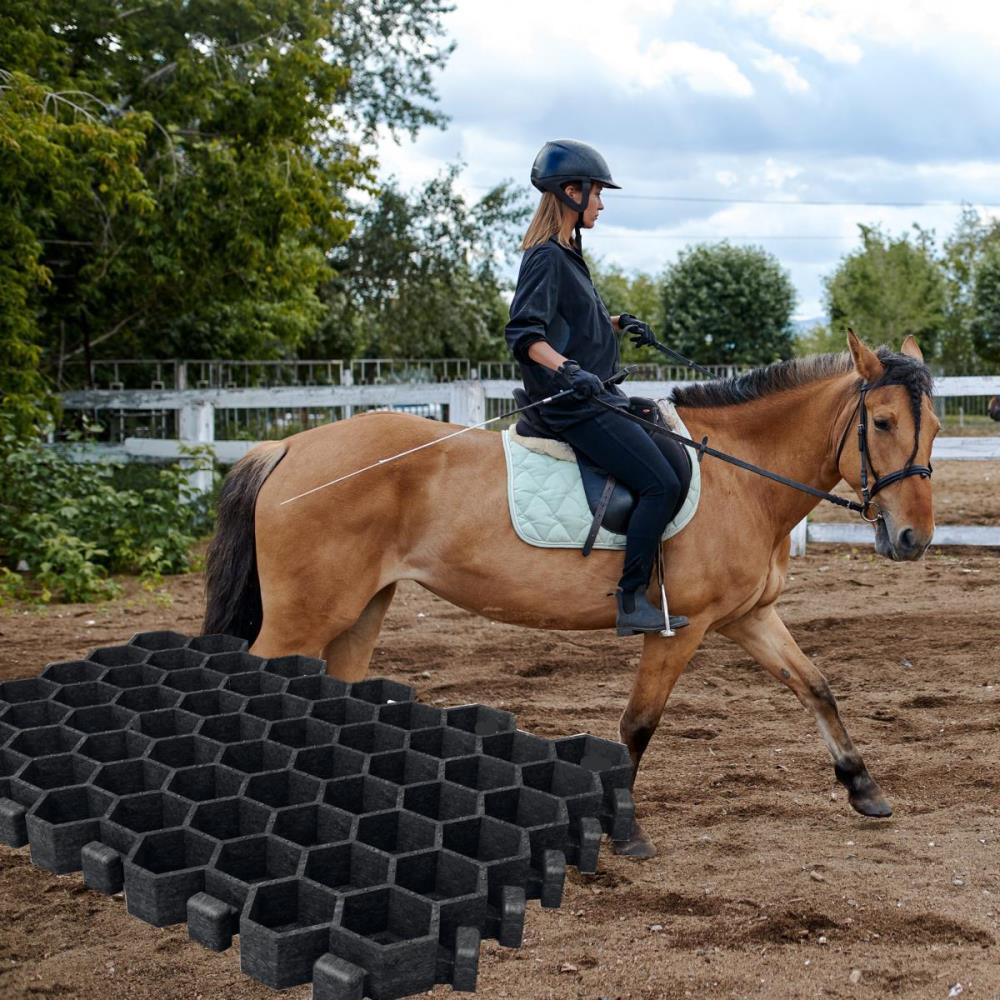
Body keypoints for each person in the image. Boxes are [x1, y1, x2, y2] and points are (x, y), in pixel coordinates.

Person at [505, 139, 688, 636]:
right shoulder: (544, 256)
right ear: (571, 192)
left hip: (596, 394)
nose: (602, 204)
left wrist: (617, 322)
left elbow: (574, 324)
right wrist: (565, 370)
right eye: (598, 194)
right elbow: (525, 335)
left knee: (675, 459)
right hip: (572, 405)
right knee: (660, 482)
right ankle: (630, 600)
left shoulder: (569, 255)